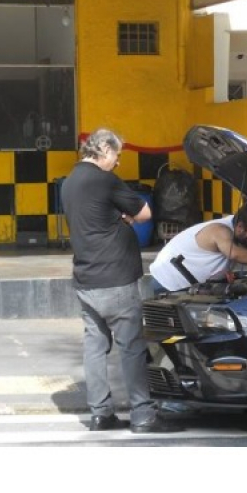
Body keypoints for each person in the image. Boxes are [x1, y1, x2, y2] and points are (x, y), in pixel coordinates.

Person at [61, 127, 179, 434]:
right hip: (116, 279)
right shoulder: (104, 180)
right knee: (131, 347)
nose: (117, 162)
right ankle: (143, 414)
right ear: (102, 150)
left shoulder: (69, 182)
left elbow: (93, 218)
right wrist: (125, 218)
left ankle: (100, 414)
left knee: (95, 347)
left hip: (86, 279)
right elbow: (144, 212)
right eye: (115, 155)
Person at [143, 202, 247, 294]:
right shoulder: (219, 230)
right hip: (164, 284)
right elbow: (235, 254)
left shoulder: (243, 239)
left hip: (185, 289)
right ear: (240, 226)